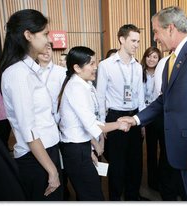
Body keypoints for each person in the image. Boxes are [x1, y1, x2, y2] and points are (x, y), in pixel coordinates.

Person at [118, 6, 187, 201]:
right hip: (179, 148)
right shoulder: (171, 60)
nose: (155, 37)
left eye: (156, 31)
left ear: (171, 28)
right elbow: (164, 100)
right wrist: (135, 119)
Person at [0, 9, 63, 200]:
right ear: (28, 35)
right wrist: (51, 170)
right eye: (44, 34)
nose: (47, 40)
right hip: (36, 159)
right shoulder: (18, 74)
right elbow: (29, 129)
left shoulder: (29, 69)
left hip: (45, 151)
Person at [58, 46, 129, 201]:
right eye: (91, 63)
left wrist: (92, 147)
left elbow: (86, 121)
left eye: (95, 62)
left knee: (90, 192)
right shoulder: (76, 88)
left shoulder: (86, 85)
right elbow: (92, 125)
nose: (95, 67)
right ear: (77, 67)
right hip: (76, 150)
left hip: (82, 147)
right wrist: (119, 124)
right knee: (92, 196)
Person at [97, 24, 146, 201]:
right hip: (114, 117)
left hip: (133, 116)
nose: (136, 45)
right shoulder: (106, 65)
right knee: (117, 164)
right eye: (133, 40)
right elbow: (100, 97)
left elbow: (140, 95)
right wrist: (103, 127)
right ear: (122, 40)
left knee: (136, 162)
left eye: (138, 41)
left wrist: (141, 121)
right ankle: (116, 198)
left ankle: (133, 196)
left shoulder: (138, 66)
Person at [37, 42, 69, 200]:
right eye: (42, 48)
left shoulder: (62, 72)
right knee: (50, 162)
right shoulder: (31, 73)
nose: (45, 52)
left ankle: (66, 192)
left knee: (66, 161)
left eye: (49, 48)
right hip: (42, 127)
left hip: (61, 123)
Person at [141, 46, 163, 191]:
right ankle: (152, 181)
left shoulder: (161, 73)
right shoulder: (139, 73)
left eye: (155, 57)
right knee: (150, 150)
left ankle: (161, 178)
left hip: (159, 114)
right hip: (144, 114)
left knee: (163, 149)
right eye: (149, 56)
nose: (151, 59)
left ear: (159, 59)